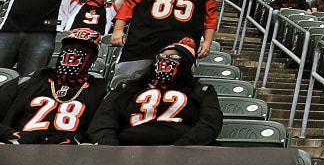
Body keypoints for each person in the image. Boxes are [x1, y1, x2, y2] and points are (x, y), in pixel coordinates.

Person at [88, 38, 223, 146]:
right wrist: (110, 148)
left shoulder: (201, 90)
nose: (165, 61)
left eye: (174, 59)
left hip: (181, 155)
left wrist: (180, 149)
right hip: (128, 150)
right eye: (161, 57)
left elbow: (210, 124)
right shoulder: (128, 88)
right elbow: (104, 120)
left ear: (186, 65)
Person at [0, 28, 108, 144]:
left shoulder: (100, 92)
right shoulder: (28, 82)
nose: (73, 54)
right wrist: (10, 134)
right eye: (69, 49)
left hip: (69, 153)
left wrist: (75, 139)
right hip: (19, 146)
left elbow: (102, 130)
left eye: (83, 51)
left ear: (94, 58)